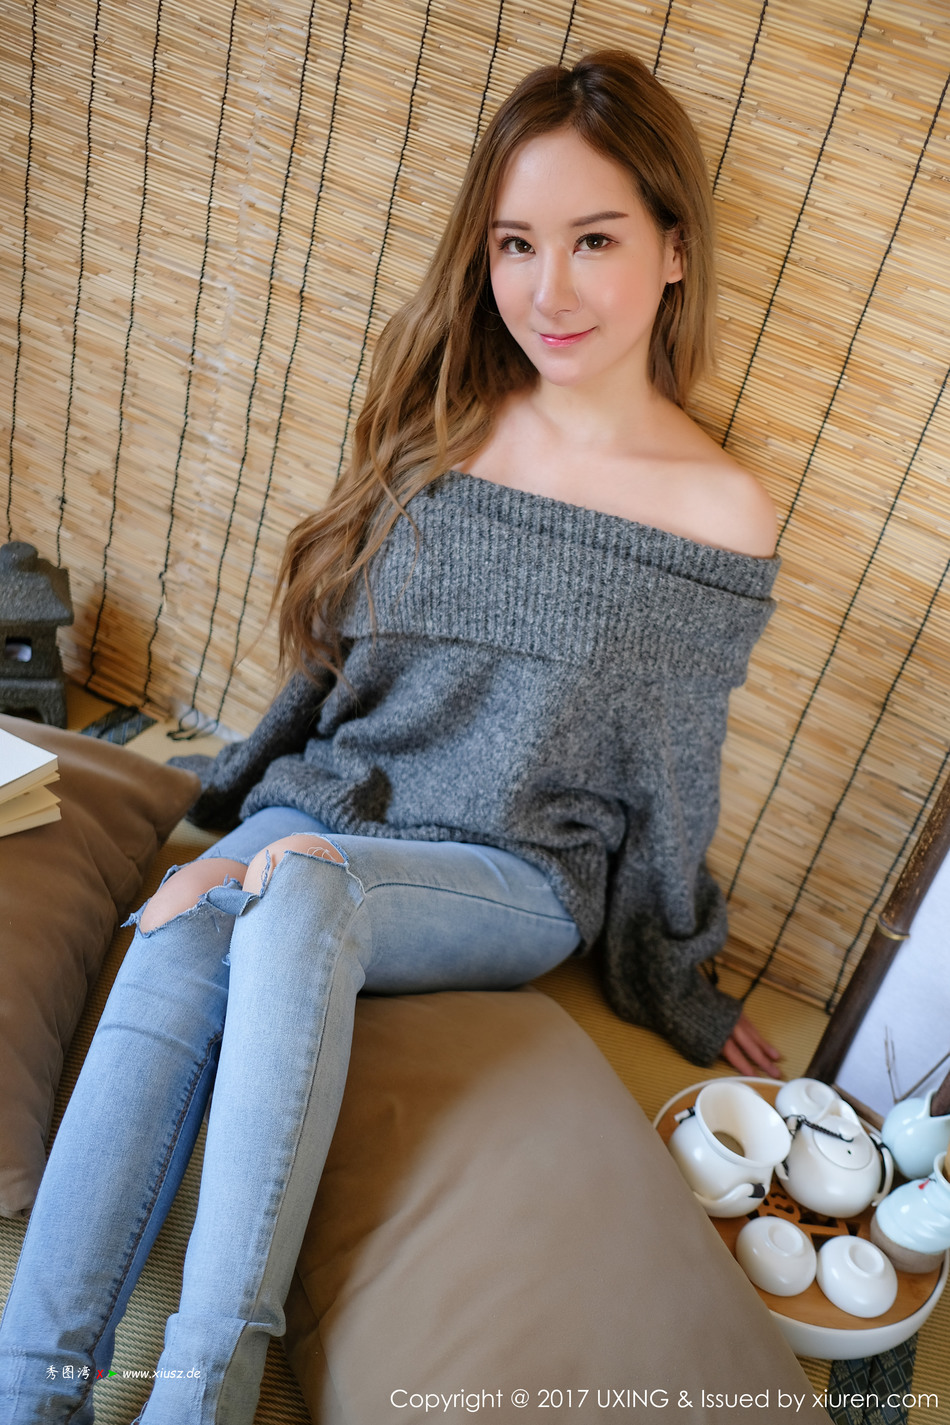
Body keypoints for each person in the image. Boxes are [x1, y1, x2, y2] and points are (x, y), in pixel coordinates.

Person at [0, 48, 783, 1424]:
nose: (548, 289)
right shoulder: (443, 426)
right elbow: (336, 663)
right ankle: (33, 1387)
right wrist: (227, 811)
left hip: (510, 876)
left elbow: (672, 769)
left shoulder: (714, 511)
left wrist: (679, 975)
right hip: (338, 808)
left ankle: (199, 1393)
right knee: (188, 923)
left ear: (673, 251)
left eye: (594, 240)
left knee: (298, 886)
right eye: (515, 243)